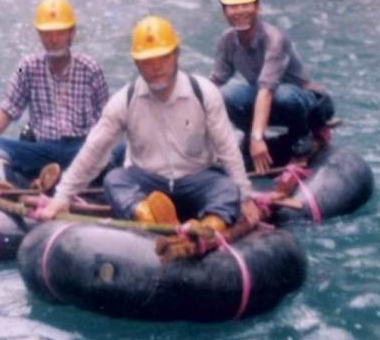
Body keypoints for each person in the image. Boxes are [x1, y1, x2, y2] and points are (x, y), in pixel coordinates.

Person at [37, 16, 260, 235]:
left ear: (176, 56)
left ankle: (205, 230)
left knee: (227, 189)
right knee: (115, 180)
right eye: (147, 61)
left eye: (163, 58)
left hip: (197, 178)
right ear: (136, 64)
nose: (156, 68)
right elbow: (93, 151)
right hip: (148, 181)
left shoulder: (204, 93)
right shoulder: (125, 100)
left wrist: (245, 196)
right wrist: (62, 197)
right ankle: (150, 219)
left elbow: (227, 148)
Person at [0, 0, 109, 191]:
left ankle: (54, 180)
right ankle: (9, 186)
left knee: (117, 152)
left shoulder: (90, 68)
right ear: (39, 34)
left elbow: (108, 119)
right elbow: (8, 109)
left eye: (60, 33)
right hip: (43, 148)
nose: (54, 40)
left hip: (81, 149)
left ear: (71, 33)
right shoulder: (27, 67)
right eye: (47, 33)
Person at [210, 0, 334, 173]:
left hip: (307, 101)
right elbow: (214, 83)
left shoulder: (274, 39)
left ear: (257, 7)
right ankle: (252, 139)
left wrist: (258, 139)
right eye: (232, 6)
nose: (239, 11)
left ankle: (301, 143)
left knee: (283, 95)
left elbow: (266, 90)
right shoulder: (227, 41)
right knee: (225, 95)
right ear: (224, 10)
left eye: (245, 4)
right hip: (270, 101)